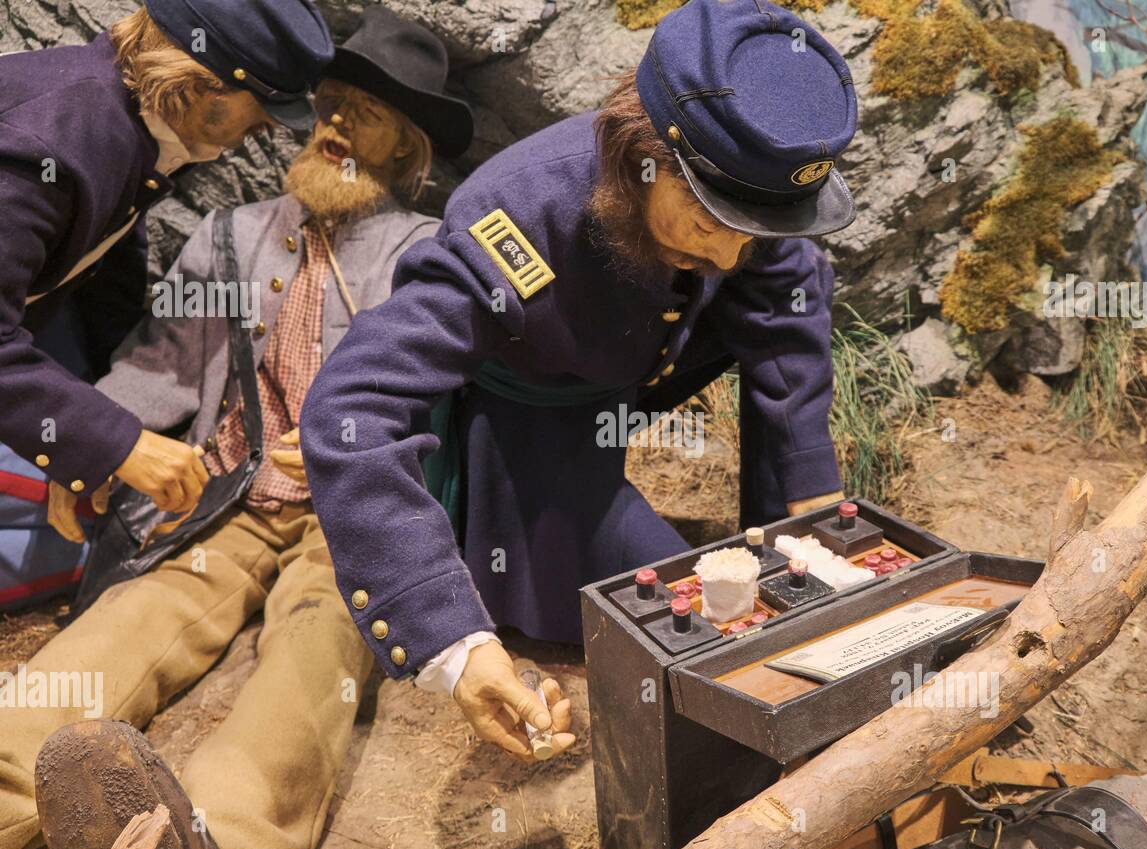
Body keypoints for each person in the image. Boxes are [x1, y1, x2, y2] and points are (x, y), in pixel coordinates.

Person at [301, 0, 858, 760]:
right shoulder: (518, 218)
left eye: (751, 230)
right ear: (642, 155)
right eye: (708, 222)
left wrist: (807, 492)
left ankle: (776, 546)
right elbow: (351, 405)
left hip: (644, 355)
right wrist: (454, 646)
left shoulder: (742, 208)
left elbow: (783, 306)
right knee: (682, 612)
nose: (729, 257)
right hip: (539, 396)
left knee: (785, 559)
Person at [0, 8, 482, 849]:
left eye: (362, 115)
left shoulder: (430, 258)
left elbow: (446, 400)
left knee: (315, 657)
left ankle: (218, 845)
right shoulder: (233, 235)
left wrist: (357, 445)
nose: (333, 126)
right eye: (328, 104)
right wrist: (99, 455)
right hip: (228, 497)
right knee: (128, 621)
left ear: (405, 152)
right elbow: (161, 369)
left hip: (351, 518)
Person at [0, 0, 332, 527]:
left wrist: (107, 422)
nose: (269, 129)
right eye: (266, 109)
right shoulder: (55, 145)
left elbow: (103, 269)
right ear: (205, 83)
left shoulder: (121, 124)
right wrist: (115, 442)